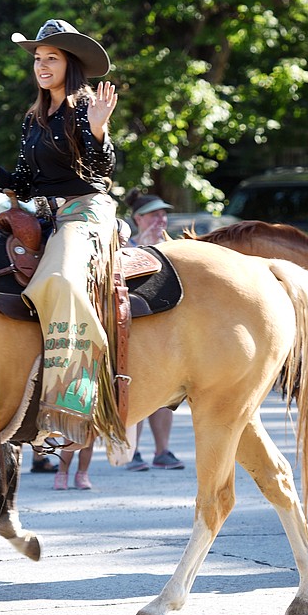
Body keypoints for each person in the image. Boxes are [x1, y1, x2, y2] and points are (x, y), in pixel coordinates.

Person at [0, 19, 121, 449]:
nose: (42, 65)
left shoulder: (87, 108)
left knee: (60, 282)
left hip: (85, 212)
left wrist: (97, 130)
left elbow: (101, 170)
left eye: (51, 58)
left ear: (70, 64)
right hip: (43, 217)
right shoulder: (33, 118)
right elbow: (27, 181)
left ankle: (73, 406)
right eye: (38, 59)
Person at [121, 188, 184, 471]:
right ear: (138, 218)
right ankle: (132, 451)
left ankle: (163, 451)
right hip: (136, 325)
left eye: (163, 214)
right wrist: (140, 249)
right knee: (135, 386)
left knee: (165, 392)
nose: (161, 220)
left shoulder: (176, 245)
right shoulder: (125, 244)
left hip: (168, 327)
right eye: (154, 215)